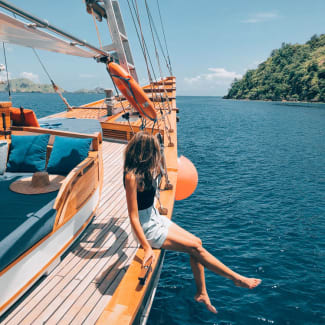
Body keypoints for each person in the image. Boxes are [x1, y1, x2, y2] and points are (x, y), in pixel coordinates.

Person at [124, 131, 261, 314]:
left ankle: (202, 292)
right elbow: (133, 216)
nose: (157, 156)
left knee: (197, 242)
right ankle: (236, 278)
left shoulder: (150, 170)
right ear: (145, 153)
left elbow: (163, 163)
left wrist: (161, 147)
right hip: (145, 226)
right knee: (195, 249)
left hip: (155, 216)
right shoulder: (131, 177)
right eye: (154, 152)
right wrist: (146, 247)